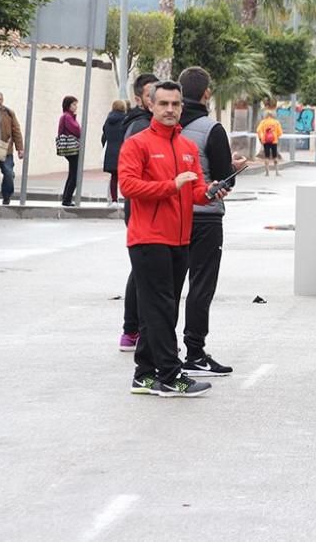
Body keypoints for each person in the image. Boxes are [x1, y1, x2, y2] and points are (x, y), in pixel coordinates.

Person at [118, 79, 229, 397]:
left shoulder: (187, 147)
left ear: (182, 106)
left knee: (162, 308)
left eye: (175, 104)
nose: (170, 109)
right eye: (163, 103)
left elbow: (194, 191)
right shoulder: (137, 144)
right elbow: (129, 187)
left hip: (181, 239)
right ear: (150, 105)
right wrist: (171, 184)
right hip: (148, 238)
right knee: (160, 308)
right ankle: (170, 374)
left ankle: (144, 373)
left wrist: (210, 192)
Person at [179, 66, 247, 376]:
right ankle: (194, 350)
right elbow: (223, 179)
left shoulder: (164, 127)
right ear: (207, 93)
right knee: (201, 285)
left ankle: (162, 351)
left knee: (168, 286)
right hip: (205, 218)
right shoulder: (211, 129)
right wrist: (235, 168)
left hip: (173, 215)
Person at [118, 73, 160, 352]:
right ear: (140, 99)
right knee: (143, 268)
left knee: (147, 269)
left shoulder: (153, 126)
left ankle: (138, 331)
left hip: (154, 207)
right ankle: (133, 330)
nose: (159, 103)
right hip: (141, 206)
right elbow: (131, 180)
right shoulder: (139, 128)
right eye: (151, 97)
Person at [101, 99, 128, 205]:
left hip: (111, 151)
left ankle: (114, 200)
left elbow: (104, 137)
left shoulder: (108, 121)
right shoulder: (125, 120)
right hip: (123, 151)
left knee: (114, 177)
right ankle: (127, 199)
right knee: (125, 177)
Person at [57, 96, 81, 207]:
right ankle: (67, 199)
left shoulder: (68, 116)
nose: (76, 107)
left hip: (70, 148)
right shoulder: (67, 117)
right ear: (68, 105)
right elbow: (77, 130)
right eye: (74, 104)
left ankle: (66, 198)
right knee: (75, 175)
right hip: (71, 148)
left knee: (72, 173)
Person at [256, 110, 283, 176]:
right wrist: (276, 136)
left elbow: (258, 130)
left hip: (266, 141)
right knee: (275, 156)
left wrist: (261, 138)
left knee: (267, 156)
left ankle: (267, 172)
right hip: (274, 141)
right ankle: (277, 172)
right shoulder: (276, 122)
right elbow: (280, 132)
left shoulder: (263, 122)